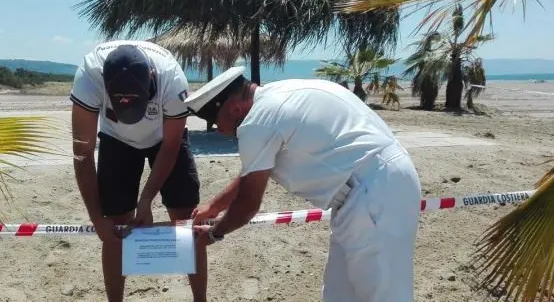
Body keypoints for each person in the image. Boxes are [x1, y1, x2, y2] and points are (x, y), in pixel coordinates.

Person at [184, 66, 422, 302]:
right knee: (340, 293)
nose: (219, 130)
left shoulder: (256, 123)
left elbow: (247, 204)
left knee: (383, 294)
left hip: (372, 194)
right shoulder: (282, 93)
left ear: (234, 108)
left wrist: (215, 234)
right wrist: (215, 206)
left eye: (217, 122)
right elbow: (254, 173)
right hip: (372, 188)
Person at [70, 40, 207, 302]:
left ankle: (201, 299)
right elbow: (83, 153)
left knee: (185, 217)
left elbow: (170, 146)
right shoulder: (89, 76)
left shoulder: (172, 79)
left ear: (151, 79)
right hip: (116, 139)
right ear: (105, 85)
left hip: (163, 136)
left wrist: (146, 200)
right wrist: (97, 218)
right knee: (115, 225)